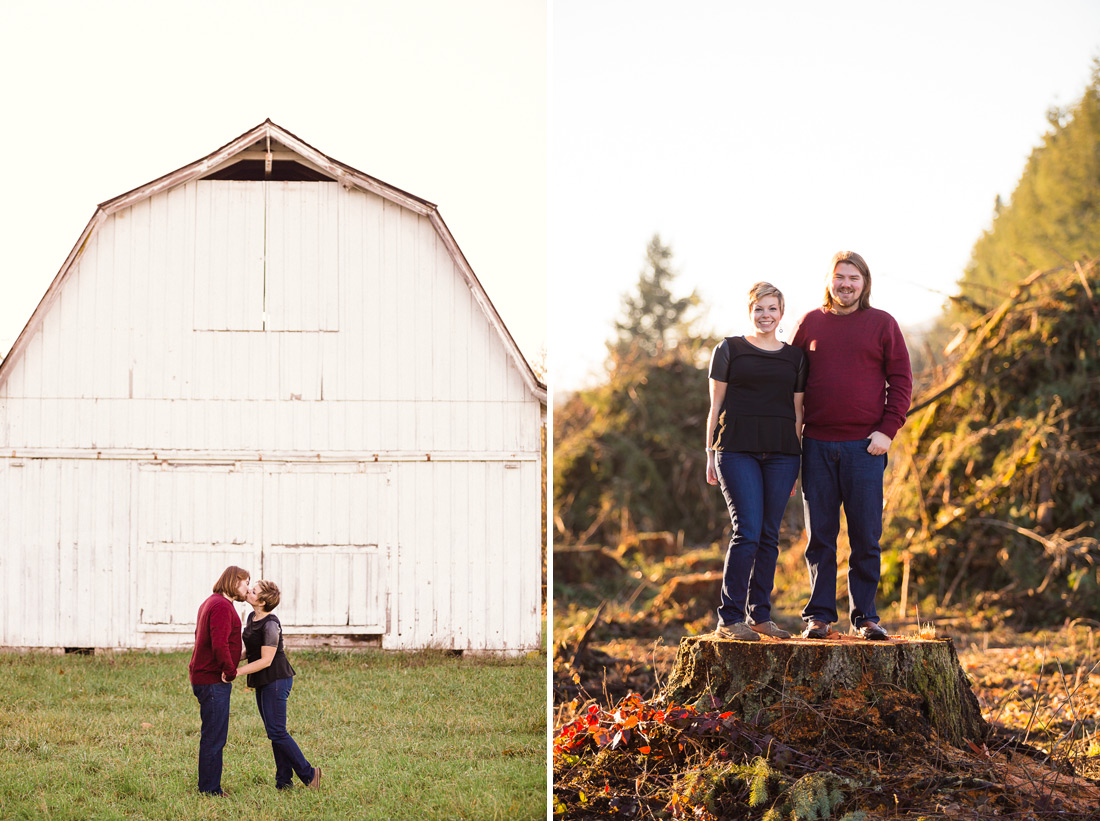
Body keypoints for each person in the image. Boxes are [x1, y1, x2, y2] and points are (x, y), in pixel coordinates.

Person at [789, 251, 912, 641]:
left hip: (865, 447)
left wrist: (887, 431)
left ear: (865, 284)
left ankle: (867, 617)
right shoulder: (810, 323)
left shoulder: (882, 324)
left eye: (853, 279)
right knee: (820, 537)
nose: (846, 284)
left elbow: (902, 381)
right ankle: (819, 617)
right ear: (829, 281)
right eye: (839, 277)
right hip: (817, 445)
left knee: (865, 535)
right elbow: (789, 382)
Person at [705, 281, 806, 641]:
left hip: (782, 455)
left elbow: (798, 412)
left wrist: (796, 458)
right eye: (759, 309)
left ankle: (760, 616)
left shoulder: (795, 358)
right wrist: (709, 453)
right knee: (746, 530)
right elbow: (715, 406)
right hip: (736, 450)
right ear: (750, 312)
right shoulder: (730, 350)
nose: (766, 315)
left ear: (782, 313)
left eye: (772, 309)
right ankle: (730, 619)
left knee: (768, 535)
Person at [230, 580, 322, 790]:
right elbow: (253, 651)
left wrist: (238, 672)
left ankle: (310, 775)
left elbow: (266, 659)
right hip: (263, 679)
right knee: (274, 731)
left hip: (277, 679)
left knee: (277, 731)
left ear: (262, 601)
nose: (248, 592)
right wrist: (233, 661)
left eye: (253, 592)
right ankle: (284, 781)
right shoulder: (253, 617)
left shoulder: (271, 624)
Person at [189, 565, 251, 796]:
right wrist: (230, 670)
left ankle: (208, 784)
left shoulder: (212, 602)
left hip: (205, 676)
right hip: (213, 680)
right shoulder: (222, 606)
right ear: (234, 581)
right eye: (246, 582)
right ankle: (210, 789)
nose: (248, 587)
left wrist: (242, 656)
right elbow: (219, 644)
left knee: (212, 734)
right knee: (215, 736)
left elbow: (215, 642)